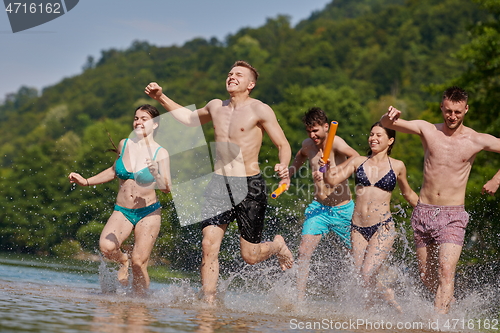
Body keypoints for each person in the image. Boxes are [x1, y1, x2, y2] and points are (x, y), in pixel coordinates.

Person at [144, 60, 294, 304]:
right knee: (208, 244)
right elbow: (191, 118)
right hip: (219, 184)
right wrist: (161, 96)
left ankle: (277, 246)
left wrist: (283, 165)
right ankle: (209, 302)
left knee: (251, 256)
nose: (232, 77)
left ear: (251, 84)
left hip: (249, 185)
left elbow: (282, 144)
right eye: (230, 73)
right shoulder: (215, 106)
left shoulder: (261, 110)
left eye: (238, 75)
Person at [380, 86, 500, 314]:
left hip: (453, 215)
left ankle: (438, 325)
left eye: (457, 112)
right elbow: (387, 124)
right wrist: (389, 116)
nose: (452, 116)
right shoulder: (428, 130)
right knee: (427, 277)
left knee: (446, 271)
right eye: (448, 111)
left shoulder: (475, 139)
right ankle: (449, 305)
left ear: (466, 109)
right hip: (423, 211)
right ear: (441, 108)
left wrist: (496, 179)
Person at [69, 104, 171, 296]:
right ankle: (123, 260)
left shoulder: (161, 153)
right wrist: (86, 181)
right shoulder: (125, 144)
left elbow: (166, 187)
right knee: (106, 247)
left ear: (155, 124)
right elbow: (114, 171)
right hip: (123, 210)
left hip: (148, 212)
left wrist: (156, 174)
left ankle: (140, 305)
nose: (138, 122)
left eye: (144, 119)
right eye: (136, 118)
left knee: (139, 262)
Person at [319, 122, 418, 311]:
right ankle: (370, 316)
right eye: (371, 134)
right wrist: (326, 168)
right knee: (361, 277)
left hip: (383, 227)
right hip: (357, 228)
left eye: (379, 135)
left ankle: (378, 306)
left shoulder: (397, 166)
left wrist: (429, 209)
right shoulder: (358, 162)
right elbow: (331, 180)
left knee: (366, 273)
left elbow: (409, 194)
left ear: (390, 140)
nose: (373, 138)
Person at [288, 107, 359, 301]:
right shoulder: (308, 145)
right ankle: (299, 300)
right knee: (303, 252)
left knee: (356, 257)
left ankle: (361, 297)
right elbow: (301, 156)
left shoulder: (336, 142)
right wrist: (290, 173)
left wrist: (333, 172)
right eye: (309, 131)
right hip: (318, 208)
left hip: (343, 209)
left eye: (316, 130)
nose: (312, 135)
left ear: (326, 127)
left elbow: (356, 157)